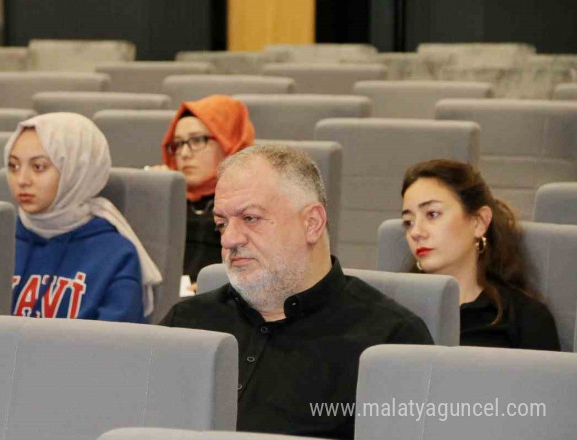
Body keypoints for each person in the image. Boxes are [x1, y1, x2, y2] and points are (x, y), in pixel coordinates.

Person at [161, 145, 433, 439]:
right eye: (222, 224)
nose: (229, 239)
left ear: (312, 223)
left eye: (250, 218)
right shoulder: (186, 324)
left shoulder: (389, 341)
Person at [6, 112, 161, 322]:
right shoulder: (0, 238)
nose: (22, 180)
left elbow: (117, 346)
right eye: (13, 166)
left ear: (76, 170)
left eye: (38, 167)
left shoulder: (116, 254)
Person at [400, 159, 559, 350]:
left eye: (432, 214)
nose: (416, 232)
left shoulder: (527, 319)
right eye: (408, 222)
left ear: (479, 222)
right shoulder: (393, 312)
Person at [159, 94, 255, 281]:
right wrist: (158, 199)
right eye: (177, 144)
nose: (184, 154)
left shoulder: (253, 203)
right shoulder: (167, 199)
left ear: (227, 141)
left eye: (197, 140)